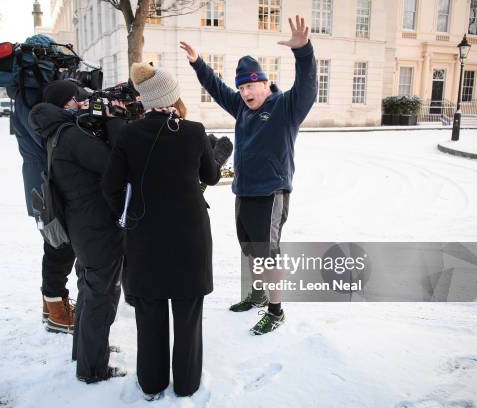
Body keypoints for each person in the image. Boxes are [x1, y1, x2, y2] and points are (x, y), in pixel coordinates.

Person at [179, 15, 317, 335]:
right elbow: (216, 87)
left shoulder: (285, 107)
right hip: (243, 191)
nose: (244, 92)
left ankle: (276, 309)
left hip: (271, 193)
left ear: (265, 83)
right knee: (249, 250)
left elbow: (308, 87)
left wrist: (304, 51)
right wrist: (199, 63)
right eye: (241, 87)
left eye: (250, 84)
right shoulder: (241, 108)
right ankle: (256, 295)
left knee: (268, 255)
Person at [102, 62, 232, 399]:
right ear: (173, 97)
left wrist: (128, 217)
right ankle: (187, 384)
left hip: (145, 240)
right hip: (190, 239)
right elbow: (212, 176)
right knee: (188, 316)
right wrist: (216, 153)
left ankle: (151, 383)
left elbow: (110, 187)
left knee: (150, 315)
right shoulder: (193, 131)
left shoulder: (129, 134)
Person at [29, 80, 127, 383]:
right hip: (96, 227)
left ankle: (86, 352)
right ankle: (93, 368)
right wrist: (113, 121)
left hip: (82, 226)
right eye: (77, 99)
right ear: (65, 104)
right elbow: (114, 164)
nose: (83, 103)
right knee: (102, 295)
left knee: (89, 290)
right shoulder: (70, 135)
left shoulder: (57, 133)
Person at [6, 34, 76, 334]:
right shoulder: (28, 97)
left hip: (43, 180)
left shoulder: (26, 93)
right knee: (58, 244)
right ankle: (56, 311)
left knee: (58, 243)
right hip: (44, 184)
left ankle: (53, 305)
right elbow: (47, 135)